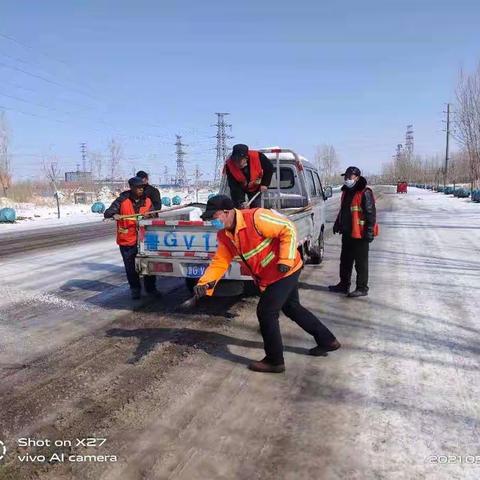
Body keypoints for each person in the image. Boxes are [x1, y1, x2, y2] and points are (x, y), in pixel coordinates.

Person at [194, 195, 340, 373]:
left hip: (285, 270)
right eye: (209, 219)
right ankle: (327, 340)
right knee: (292, 307)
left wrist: (285, 259)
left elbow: (288, 228)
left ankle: (274, 360)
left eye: (213, 217)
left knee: (266, 312)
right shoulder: (225, 235)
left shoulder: (256, 218)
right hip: (270, 276)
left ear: (227, 212)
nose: (212, 221)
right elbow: (220, 262)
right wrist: (206, 282)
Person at [104, 176, 158, 299]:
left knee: (148, 265)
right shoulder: (122, 200)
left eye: (142, 188)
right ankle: (135, 289)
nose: (141, 190)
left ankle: (151, 289)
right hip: (127, 240)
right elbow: (107, 213)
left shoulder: (148, 201)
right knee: (130, 267)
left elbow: (154, 215)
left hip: (145, 239)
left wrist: (150, 216)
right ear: (132, 188)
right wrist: (114, 214)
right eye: (138, 188)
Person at [329, 166, 378, 298]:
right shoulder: (346, 192)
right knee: (345, 261)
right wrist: (337, 223)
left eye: (349, 177)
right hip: (347, 232)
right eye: (345, 177)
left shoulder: (364, 192)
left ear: (357, 177)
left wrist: (369, 231)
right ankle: (343, 285)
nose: (347, 179)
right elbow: (344, 210)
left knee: (361, 263)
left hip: (360, 234)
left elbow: (370, 214)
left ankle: (362, 288)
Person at [225, 144, 275, 208]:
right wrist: (241, 202)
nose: (237, 163)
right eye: (235, 160)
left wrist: (265, 184)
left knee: (256, 208)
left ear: (246, 158)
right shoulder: (229, 166)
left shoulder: (258, 157)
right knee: (240, 208)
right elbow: (234, 186)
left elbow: (269, 168)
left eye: (239, 160)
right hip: (240, 187)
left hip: (255, 187)